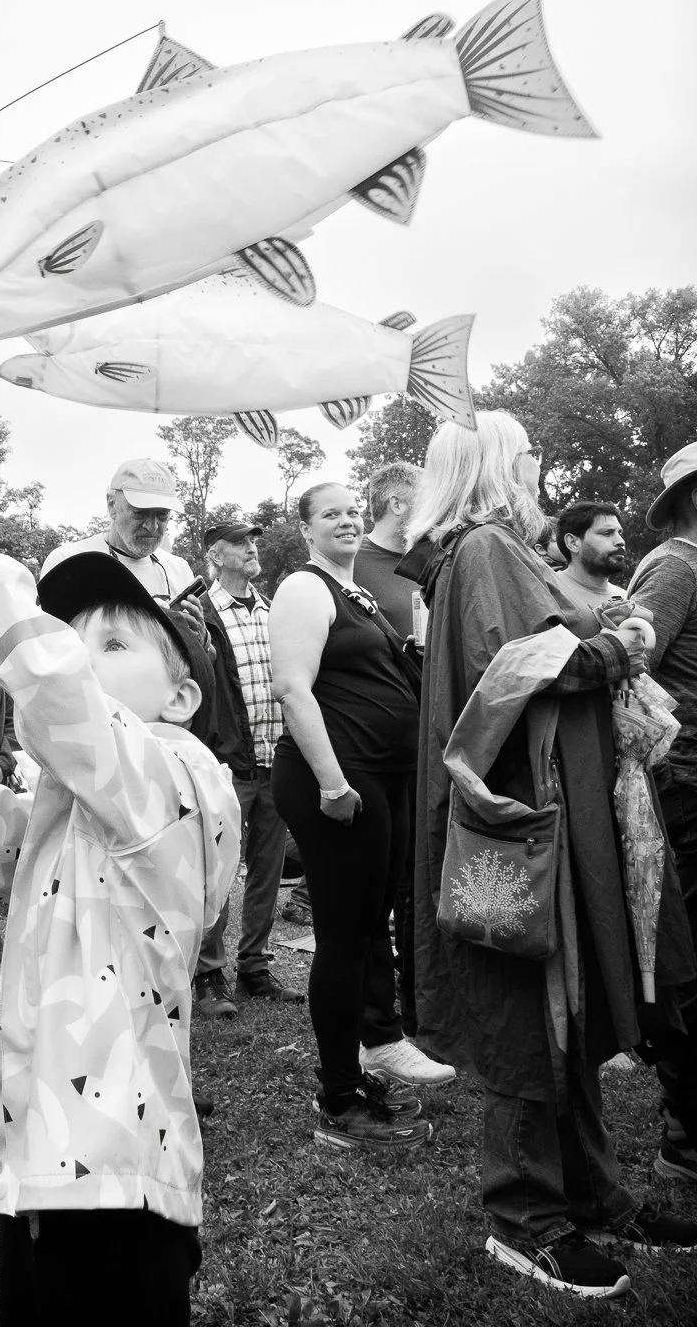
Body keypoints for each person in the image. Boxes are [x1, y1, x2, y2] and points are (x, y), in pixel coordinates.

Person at [0, 487, 239, 1327]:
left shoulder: (177, 779)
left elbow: (60, 694)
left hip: (120, 1169)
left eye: (115, 642)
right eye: (73, 638)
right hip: (44, 1156)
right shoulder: (70, 799)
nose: (83, 656)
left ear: (182, 697)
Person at [405, 411, 697, 1298]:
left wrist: (602, 624)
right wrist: (619, 644)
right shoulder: (489, 545)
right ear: (499, 463)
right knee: (528, 1008)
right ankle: (525, 1215)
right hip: (527, 815)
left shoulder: (498, 551)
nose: (539, 464)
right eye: (529, 451)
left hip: (557, 804)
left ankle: (593, 1192)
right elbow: (523, 667)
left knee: (568, 1009)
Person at [268, 483, 433, 1153]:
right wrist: (333, 782)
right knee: (342, 941)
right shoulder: (304, 590)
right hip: (338, 784)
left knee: (367, 936)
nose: (346, 519)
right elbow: (291, 687)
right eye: (329, 511)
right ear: (305, 528)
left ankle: (358, 1072)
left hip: (380, 781)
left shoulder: (360, 592)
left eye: (350, 510)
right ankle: (337, 1104)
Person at [354, 463, 451, 1076]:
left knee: (430, 878)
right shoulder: (355, 569)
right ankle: (396, 1024)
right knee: (393, 889)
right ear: (396, 501)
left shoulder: (430, 561)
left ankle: (430, 1011)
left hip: (433, 740)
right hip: (379, 753)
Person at [194, 513, 299, 1011]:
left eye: (253, 542)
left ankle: (254, 967)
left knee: (267, 872)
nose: (252, 549)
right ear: (215, 555)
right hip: (227, 767)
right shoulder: (198, 616)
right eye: (240, 544)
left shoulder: (274, 610)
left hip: (276, 761)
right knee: (216, 873)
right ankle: (209, 974)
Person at [627, 444, 697, 1187]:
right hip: (685, 793)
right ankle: (686, 1137)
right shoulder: (675, 567)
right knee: (685, 965)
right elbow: (629, 671)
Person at [40, 457, 194, 604]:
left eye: (162, 514)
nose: (152, 526)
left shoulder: (179, 570)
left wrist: (200, 631)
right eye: (140, 512)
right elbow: (50, 631)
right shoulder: (68, 563)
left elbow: (201, 631)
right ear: (112, 505)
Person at [353, 463, 422, 640]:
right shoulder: (348, 561)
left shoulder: (433, 560)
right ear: (396, 504)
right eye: (426, 502)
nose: (435, 511)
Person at [552, 500, 628, 619]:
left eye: (620, 533)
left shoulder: (627, 598)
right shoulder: (549, 593)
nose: (620, 541)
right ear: (573, 543)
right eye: (607, 533)